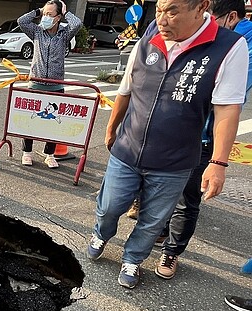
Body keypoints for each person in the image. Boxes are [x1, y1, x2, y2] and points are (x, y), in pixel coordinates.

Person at [86, 0, 249, 289]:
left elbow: (227, 109)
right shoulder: (150, 34)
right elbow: (126, 88)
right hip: (128, 149)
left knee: (152, 220)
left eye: (172, 11)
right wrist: (111, 129)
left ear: (201, 7)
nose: (162, 19)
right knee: (110, 206)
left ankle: (133, 259)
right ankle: (101, 233)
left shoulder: (228, 47)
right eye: (159, 10)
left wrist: (218, 162)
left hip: (175, 161)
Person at [155, 0, 252, 279]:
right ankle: (161, 231)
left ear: (229, 17)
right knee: (161, 189)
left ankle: (171, 251)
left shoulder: (236, 44)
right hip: (169, 133)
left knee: (187, 197)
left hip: (200, 136)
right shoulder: (180, 33)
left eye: (210, 17)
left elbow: (229, 102)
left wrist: (218, 161)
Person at [17, 0, 81, 169]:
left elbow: (78, 23)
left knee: (53, 123)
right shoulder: (37, 31)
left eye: (50, 14)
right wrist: (39, 11)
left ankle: (49, 154)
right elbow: (21, 21)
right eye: (45, 14)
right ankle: (27, 152)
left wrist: (67, 13)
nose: (45, 17)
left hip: (55, 85)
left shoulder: (64, 34)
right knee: (31, 120)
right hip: (36, 83)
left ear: (58, 17)